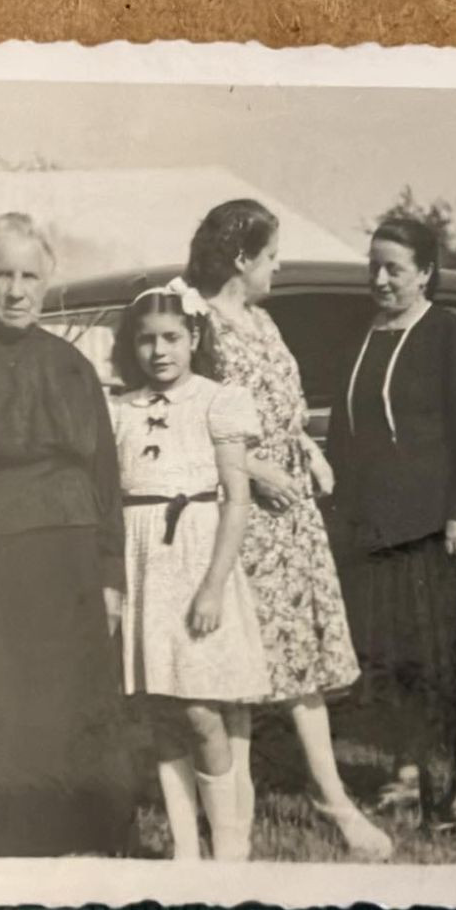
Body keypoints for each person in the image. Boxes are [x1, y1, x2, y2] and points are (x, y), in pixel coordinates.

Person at [179, 199, 393, 859]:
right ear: (242, 259)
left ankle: (332, 800)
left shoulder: (265, 323)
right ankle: (234, 806)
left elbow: (286, 413)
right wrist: (252, 468)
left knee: (302, 663)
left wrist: (311, 453)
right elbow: (189, 421)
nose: (278, 267)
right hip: (234, 517)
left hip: (289, 519)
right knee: (237, 669)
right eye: (271, 256)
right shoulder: (197, 322)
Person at [0, 213, 135, 857]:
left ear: (46, 283)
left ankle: (78, 834)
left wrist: (110, 575)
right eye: (1, 275)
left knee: (68, 704)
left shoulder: (72, 367)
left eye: (29, 276)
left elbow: (104, 474)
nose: (15, 291)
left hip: (69, 559)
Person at [326, 217, 456, 826]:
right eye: (374, 267)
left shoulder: (451, 335)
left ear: (424, 273)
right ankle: (406, 778)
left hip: (447, 528)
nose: (381, 279)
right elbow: (346, 432)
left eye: (394, 268)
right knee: (397, 659)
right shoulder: (361, 337)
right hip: (381, 531)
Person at [110, 288, 271, 861]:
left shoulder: (218, 401)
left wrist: (212, 586)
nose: (159, 350)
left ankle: (228, 844)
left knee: (202, 709)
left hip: (199, 560)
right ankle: (185, 849)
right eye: (147, 338)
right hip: (143, 566)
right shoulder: (119, 409)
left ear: (195, 339)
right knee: (162, 710)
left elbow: (237, 500)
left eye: (172, 337)